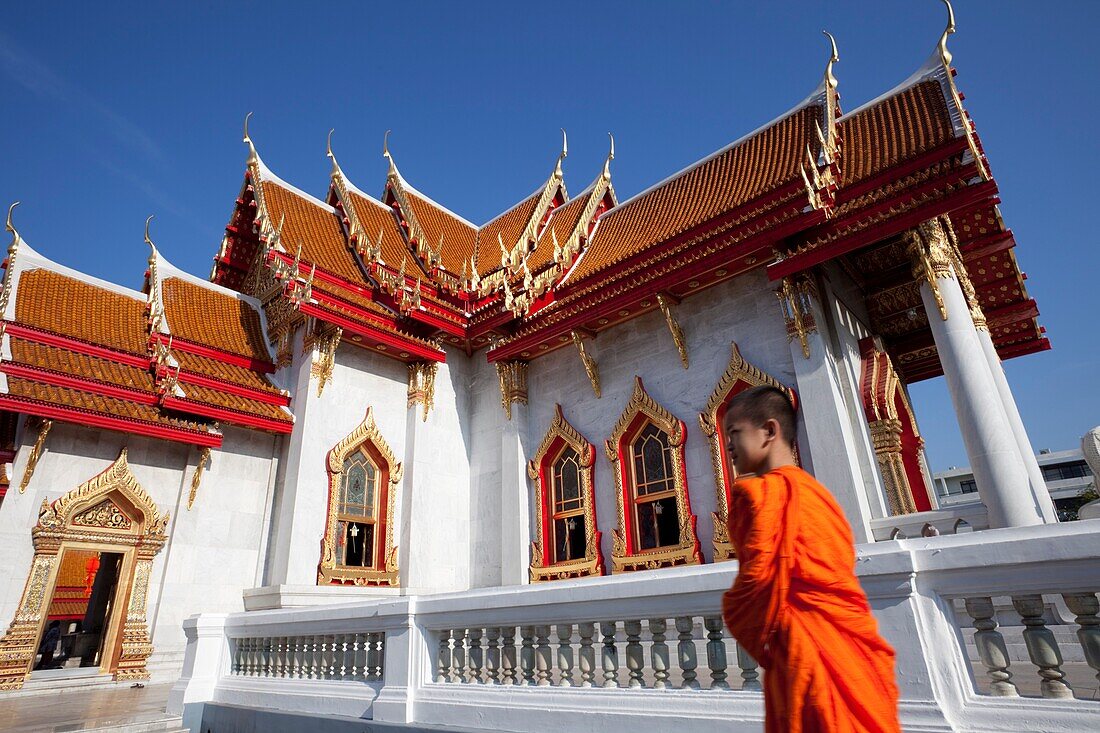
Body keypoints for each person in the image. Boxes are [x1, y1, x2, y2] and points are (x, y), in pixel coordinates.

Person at [720, 385, 900, 733]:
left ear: (770, 431)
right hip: (844, 654)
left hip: (808, 649)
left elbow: (755, 585)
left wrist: (737, 611)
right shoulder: (821, 496)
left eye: (735, 433)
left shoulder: (757, 496)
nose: (728, 445)